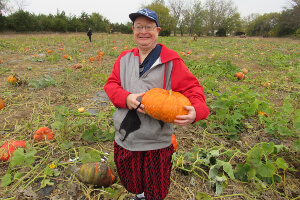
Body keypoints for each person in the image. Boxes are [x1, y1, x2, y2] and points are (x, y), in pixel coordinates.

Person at [104, 8, 209, 200]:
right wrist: (125, 98)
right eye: (139, 27)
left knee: (156, 186)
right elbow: (111, 85)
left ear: (158, 31)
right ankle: (140, 194)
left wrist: (197, 111)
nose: (144, 31)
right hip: (127, 136)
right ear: (133, 31)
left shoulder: (171, 61)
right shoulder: (124, 58)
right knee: (131, 181)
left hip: (156, 140)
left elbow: (192, 89)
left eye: (149, 27)